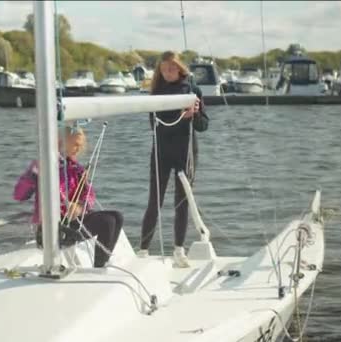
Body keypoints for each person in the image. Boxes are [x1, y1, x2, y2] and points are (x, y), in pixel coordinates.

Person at [13, 126, 123, 268]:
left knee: (117, 216)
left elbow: (89, 193)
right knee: (107, 222)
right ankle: (99, 268)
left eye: (81, 145)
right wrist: (33, 175)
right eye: (75, 144)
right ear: (61, 142)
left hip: (74, 221)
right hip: (55, 228)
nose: (79, 148)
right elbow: (19, 195)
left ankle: (103, 262)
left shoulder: (76, 168)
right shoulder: (43, 165)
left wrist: (81, 206)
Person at [138, 51, 209, 268]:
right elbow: (157, 128)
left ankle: (179, 249)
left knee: (182, 201)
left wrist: (195, 114)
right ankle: (143, 250)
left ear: (180, 68)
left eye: (172, 68)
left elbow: (203, 126)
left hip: (185, 153)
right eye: (164, 69)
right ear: (159, 70)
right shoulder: (156, 94)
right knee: (154, 201)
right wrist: (182, 118)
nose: (168, 72)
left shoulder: (192, 90)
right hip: (161, 152)